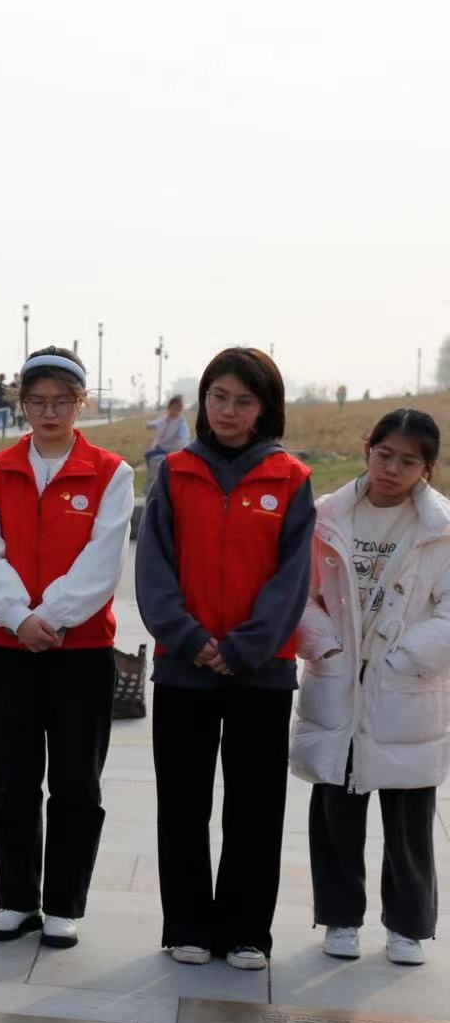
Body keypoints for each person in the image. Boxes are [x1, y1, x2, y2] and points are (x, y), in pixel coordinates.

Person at [137, 347, 313, 971]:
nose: (228, 410)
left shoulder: (290, 478)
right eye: (218, 397)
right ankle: (186, 924)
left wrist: (243, 647)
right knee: (183, 803)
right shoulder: (175, 472)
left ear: (265, 408)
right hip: (183, 669)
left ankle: (246, 932)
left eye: (243, 400)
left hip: (261, 673)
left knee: (255, 807)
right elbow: (154, 569)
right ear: (204, 399)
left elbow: (293, 578)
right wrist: (191, 640)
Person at [0, 348, 134, 950]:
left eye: (63, 401)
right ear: (21, 404)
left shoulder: (111, 473)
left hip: (80, 649)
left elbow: (103, 559)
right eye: (37, 401)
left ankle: (63, 904)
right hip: (6, 648)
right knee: (12, 779)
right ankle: (15, 899)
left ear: (81, 402)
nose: (50, 412)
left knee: (76, 782)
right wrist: (18, 618)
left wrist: (51, 617)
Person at [292, 409, 445, 967]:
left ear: (427, 468)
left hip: (404, 688)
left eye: (408, 461)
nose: (392, 469)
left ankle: (408, 926)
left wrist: (406, 655)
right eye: (384, 455)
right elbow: (300, 593)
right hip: (339, 681)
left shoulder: (440, 527)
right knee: (337, 808)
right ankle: (340, 917)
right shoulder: (326, 516)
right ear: (367, 450)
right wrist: (326, 645)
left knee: (409, 817)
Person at [146, 395, 190, 472]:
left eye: (177, 408)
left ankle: (154, 475)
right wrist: (149, 425)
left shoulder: (181, 422)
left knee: (151, 457)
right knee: (148, 455)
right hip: (160, 447)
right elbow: (156, 423)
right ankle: (152, 473)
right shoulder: (165, 418)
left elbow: (184, 437)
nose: (174, 410)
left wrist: (182, 450)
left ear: (180, 409)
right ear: (169, 407)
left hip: (171, 449)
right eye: (173, 407)